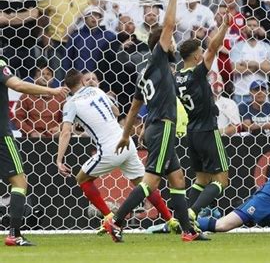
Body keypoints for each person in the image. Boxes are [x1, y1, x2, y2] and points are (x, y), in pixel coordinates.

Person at [104, 0, 207, 242]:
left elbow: (134, 107)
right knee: (151, 181)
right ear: (161, 45)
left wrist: (126, 135)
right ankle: (115, 221)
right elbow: (169, 24)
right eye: (170, 41)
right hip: (161, 126)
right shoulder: (160, 59)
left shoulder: (146, 72)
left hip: (152, 127)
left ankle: (187, 231)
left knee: (178, 180)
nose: (173, 44)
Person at [56, 70, 176, 235]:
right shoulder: (98, 91)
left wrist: (59, 160)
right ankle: (170, 220)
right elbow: (117, 112)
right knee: (145, 185)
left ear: (68, 88)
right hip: (126, 142)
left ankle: (109, 217)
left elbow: (65, 132)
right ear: (83, 81)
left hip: (109, 149)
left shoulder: (71, 103)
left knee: (82, 178)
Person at [1, 59, 69, 246]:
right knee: (19, 182)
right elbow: (18, 84)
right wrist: (52, 90)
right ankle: (14, 235)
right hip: (1, 136)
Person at [175, 7, 232, 225]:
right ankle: (192, 212)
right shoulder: (197, 73)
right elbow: (214, 48)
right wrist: (225, 26)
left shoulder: (176, 77)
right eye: (201, 51)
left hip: (192, 132)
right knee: (221, 180)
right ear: (197, 56)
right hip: (208, 129)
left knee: (201, 179)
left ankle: (183, 217)